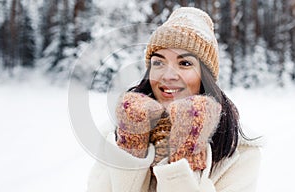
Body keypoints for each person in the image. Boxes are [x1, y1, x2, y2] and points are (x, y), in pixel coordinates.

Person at [87, 7, 261, 192]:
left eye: (185, 63)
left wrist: (186, 152)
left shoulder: (241, 154)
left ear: (205, 76)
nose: (168, 75)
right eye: (159, 63)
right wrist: (131, 147)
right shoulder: (118, 132)